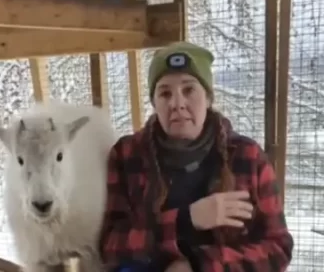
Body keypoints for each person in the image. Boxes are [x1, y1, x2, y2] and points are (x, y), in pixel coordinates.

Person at [98, 41, 294, 272]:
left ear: (208, 98)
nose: (177, 104)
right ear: (154, 103)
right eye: (165, 93)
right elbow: (110, 245)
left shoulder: (247, 157)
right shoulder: (127, 154)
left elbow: (278, 248)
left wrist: (198, 264)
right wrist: (185, 220)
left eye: (189, 90)